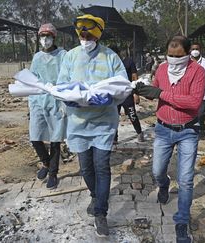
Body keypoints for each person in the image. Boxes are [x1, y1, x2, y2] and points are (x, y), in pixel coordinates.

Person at [56, 14, 128, 237]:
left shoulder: (111, 57)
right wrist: (66, 97)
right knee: (86, 168)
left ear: (98, 33)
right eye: (81, 33)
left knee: (102, 166)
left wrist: (110, 98)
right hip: (78, 124)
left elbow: (123, 85)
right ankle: (96, 195)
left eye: (88, 33)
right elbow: (60, 84)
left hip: (104, 123)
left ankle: (100, 213)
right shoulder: (70, 56)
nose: (84, 36)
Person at [135, 35, 205, 243]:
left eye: (179, 56)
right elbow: (155, 91)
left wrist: (161, 93)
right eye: (170, 55)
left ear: (187, 53)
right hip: (163, 129)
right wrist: (143, 89)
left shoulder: (197, 72)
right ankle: (164, 184)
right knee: (157, 170)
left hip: (188, 131)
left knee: (185, 179)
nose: (174, 59)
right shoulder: (162, 69)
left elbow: (193, 103)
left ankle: (182, 221)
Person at [28, 23, 67, 189]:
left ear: (54, 37)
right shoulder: (37, 57)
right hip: (38, 100)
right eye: (42, 36)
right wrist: (30, 103)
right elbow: (32, 78)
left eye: (48, 36)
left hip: (56, 101)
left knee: (55, 140)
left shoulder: (63, 55)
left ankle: (53, 173)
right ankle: (45, 162)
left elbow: (68, 76)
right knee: (35, 137)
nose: (45, 39)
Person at [111, 46, 144, 143]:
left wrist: (136, 93)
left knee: (132, 114)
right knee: (114, 117)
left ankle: (139, 133)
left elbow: (134, 76)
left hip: (126, 93)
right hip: (114, 94)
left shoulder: (128, 62)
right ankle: (114, 138)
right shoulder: (109, 64)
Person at [190, 42, 205, 138]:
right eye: (193, 49)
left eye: (197, 49)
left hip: (202, 94)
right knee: (190, 114)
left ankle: (201, 129)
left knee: (200, 113)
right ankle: (191, 131)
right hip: (188, 94)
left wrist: (204, 82)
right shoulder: (186, 62)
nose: (195, 51)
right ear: (190, 50)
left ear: (200, 50)